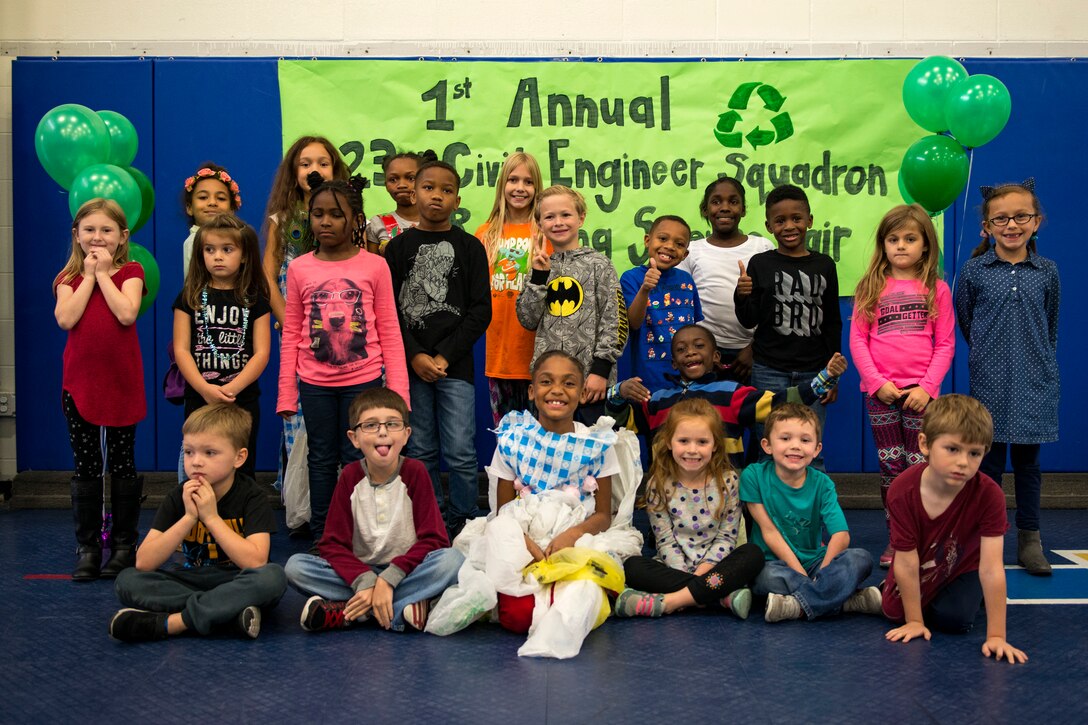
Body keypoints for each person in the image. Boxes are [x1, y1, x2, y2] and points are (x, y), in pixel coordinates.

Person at [427, 351, 642, 659]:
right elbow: (502, 514)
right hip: (524, 535)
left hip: (575, 535)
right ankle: (532, 599)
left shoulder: (596, 444)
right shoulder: (514, 440)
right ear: (531, 391)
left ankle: (555, 603)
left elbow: (603, 515)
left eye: (569, 383)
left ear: (582, 394)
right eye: (546, 382)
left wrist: (571, 536)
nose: (557, 390)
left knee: (587, 582)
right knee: (510, 591)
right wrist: (523, 544)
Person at [277, 173, 409, 545]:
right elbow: (291, 333)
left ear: (355, 220)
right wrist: (287, 391)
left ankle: (360, 536)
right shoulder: (301, 268)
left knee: (359, 460)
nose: (325, 222)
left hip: (363, 383)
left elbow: (389, 330)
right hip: (315, 384)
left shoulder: (374, 266)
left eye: (335, 215)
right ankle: (324, 538)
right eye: (318, 214)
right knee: (319, 461)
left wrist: (398, 392)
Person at [284, 388, 464, 633]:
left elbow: (435, 540)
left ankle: (353, 612)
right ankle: (403, 607)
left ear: (406, 434)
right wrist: (366, 580)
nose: (382, 431)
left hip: (408, 571)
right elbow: (332, 545)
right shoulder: (349, 477)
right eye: (370, 425)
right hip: (359, 574)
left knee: (451, 561)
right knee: (296, 567)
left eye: (392, 424)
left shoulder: (416, 472)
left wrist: (389, 579)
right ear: (354, 438)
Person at [109, 404, 287, 642]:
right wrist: (189, 518)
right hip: (191, 580)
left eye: (210, 453)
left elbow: (255, 561)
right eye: (189, 452)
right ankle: (225, 613)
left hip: (235, 580)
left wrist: (211, 518)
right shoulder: (178, 496)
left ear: (239, 457)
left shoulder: (251, 496)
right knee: (127, 581)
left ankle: (173, 623)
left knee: (272, 578)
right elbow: (143, 562)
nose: (196, 462)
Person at [954, 179, 1059, 576]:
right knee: (989, 465)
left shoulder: (1046, 272)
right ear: (987, 226)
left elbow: (1050, 326)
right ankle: (988, 537)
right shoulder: (975, 271)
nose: (1011, 224)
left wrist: (1036, 364)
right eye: (1001, 218)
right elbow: (967, 322)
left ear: (1036, 222)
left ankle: (1030, 539)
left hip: (1036, 383)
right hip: (990, 384)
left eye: (1021, 216)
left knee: (1028, 466)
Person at [385, 157, 491, 537]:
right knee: (422, 449)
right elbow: (390, 311)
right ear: (413, 193)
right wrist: (415, 355)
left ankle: (463, 521)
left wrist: (444, 356)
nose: (437, 196)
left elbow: (480, 311)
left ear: (457, 200)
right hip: (411, 366)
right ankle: (429, 520)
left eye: (447, 190)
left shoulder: (470, 247)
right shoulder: (397, 249)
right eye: (428, 188)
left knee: (462, 452)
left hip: (455, 366)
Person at [882, 394, 1028, 664]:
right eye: (953, 449)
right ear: (925, 443)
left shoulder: (990, 494)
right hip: (923, 561)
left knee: (955, 620)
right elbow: (905, 558)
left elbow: (992, 567)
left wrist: (996, 636)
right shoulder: (902, 490)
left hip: (964, 565)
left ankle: (970, 593)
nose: (963, 462)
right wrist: (914, 621)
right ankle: (890, 591)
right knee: (893, 612)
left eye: (974, 453)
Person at [850, 205, 954, 568]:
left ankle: (920, 537)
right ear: (883, 245)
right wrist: (876, 383)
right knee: (890, 465)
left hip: (920, 394)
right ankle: (898, 538)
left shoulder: (936, 289)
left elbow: (945, 344)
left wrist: (927, 387)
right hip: (881, 393)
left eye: (910, 239)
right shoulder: (871, 286)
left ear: (925, 245)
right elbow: (858, 341)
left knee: (919, 464)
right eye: (893, 239)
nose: (901, 246)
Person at [54, 199, 146, 581]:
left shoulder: (131, 272)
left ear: (122, 237)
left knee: (123, 462)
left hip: (121, 383)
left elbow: (126, 313)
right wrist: (89, 276)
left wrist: (105, 275)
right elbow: (66, 318)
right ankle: (88, 547)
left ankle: (124, 545)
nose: (97, 237)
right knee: (87, 464)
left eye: (107, 230)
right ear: (76, 235)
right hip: (80, 386)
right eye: (89, 230)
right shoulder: (66, 279)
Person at [609, 324, 846, 468]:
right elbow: (619, 424)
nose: (690, 352)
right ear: (673, 362)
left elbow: (778, 404)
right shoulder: (658, 401)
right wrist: (617, 393)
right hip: (669, 496)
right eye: (681, 350)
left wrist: (822, 380)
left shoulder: (732, 394)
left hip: (724, 496)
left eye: (699, 346)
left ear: (716, 357)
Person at [614, 398, 764, 619]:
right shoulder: (659, 482)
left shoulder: (728, 481)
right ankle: (720, 597)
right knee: (632, 566)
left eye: (702, 442)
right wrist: (684, 572)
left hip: (717, 567)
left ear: (715, 445)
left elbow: (726, 538)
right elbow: (664, 538)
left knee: (753, 554)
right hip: (674, 567)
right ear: (668, 442)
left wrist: (705, 569)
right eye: (683, 441)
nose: (692, 450)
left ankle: (669, 602)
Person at [261, 136, 348, 490]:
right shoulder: (283, 219)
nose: (315, 170)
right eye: (306, 163)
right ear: (293, 172)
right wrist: (288, 319)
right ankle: (300, 492)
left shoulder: (348, 217)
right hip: (296, 326)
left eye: (323, 163)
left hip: (340, 325)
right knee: (298, 405)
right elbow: (268, 273)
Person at [741, 403, 882, 622]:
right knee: (762, 577)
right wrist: (804, 576)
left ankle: (797, 606)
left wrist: (822, 574)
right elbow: (769, 532)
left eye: (805, 440)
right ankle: (844, 601)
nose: (795, 446)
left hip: (815, 560)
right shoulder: (754, 476)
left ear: (816, 449)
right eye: (785, 439)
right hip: (774, 562)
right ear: (767, 445)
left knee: (860, 558)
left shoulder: (822, 483)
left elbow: (841, 535)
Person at [735, 184, 841, 469]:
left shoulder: (825, 265)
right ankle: (763, 512)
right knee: (768, 447)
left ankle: (810, 512)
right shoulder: (760, 263)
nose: (789, 226)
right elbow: (748, 319)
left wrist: (832, 376)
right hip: (769, 369)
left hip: (815, 371)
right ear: (769, 226)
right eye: (780, 221)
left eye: (796, 218)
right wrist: (741, 294)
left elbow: (832, 320)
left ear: (810, 221)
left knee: (810, 449)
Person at [517, 185, 627, 423]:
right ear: (540, 224)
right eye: (549, 217)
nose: (558, 222)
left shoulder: (599, 264)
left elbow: (615, 321)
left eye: (565, 215)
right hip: (550, 386)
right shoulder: (539, 267)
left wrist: (600, 370)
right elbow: (527, 319)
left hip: (591, 383)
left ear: (581, 218)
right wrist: (538, 277)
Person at [174, 214, 270, 481]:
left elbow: (261, 353)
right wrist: (204, 388)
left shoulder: (255, 299)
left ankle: (238, 521)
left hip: (242, 398)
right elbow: (182, 350)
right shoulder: (189, 297)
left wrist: (232, 388)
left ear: (244, 256)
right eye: (209, 250)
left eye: (227, 250)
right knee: (199, 464)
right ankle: (197, 518)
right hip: (199, 397)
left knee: (240, 466)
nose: (217, 256)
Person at [678, 176, 773, 379]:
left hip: (753, 353)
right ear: (705, 209)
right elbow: (683, 303)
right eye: (716, 201)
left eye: (733, 201)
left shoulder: (762, 247)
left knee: (754, 409)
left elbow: (773, 306)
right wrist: (707, 353)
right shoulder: (692, 250)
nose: (725, 207)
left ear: (744, 209)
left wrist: (753, 348)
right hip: (707, 356)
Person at [476, 152, 546, 424]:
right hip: (500, 355)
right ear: (502, 185)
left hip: (538, 355)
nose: (520, 188)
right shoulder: (485, 233)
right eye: (513, 180)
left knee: (543, 438)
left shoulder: (544, 232)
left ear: (537, 188)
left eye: (528, 182)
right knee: (507, 437)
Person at [620, 214, 702, 394]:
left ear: (685, 254)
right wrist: (645, 289)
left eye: (679, 244)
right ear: (647, 240)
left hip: (683, 379)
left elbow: (692, 329)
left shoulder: (686, 280)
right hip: (644, 380)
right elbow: (632, 323)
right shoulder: (631, 278)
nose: (670, 246)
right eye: (663, 238)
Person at [180, 162, 242, 277]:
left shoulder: (239, 239)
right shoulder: (194, 241)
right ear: (189, 208)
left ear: (232, 209)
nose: (212, 203)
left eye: (221, 198)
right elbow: (194, 286)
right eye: (203, 197)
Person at [364, 151, 422, 255]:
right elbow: (373, 267)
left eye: (411, 178)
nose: (401, 185)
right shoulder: (377, 223)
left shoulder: (436, 223)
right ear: (386, 185)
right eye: (393, 179)